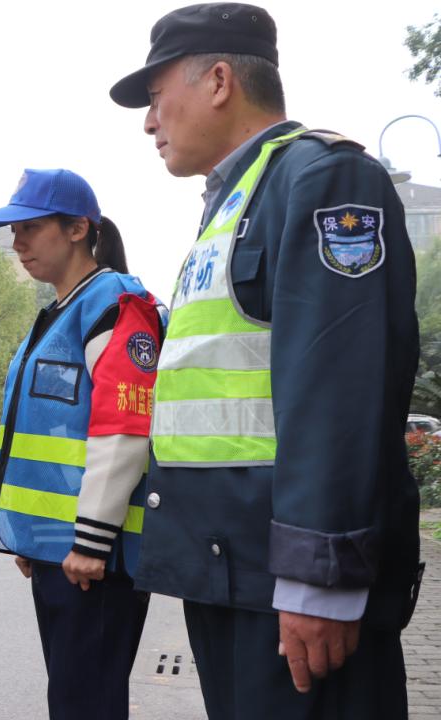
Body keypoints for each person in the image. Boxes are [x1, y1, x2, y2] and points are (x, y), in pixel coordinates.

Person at [109, 4, 422, 718]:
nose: (149, 122)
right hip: (233, 573)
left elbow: (341, 388)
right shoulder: (235, 198)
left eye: (156, 96)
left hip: (291, 589)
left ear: (220, 81)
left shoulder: (323, 179)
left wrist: (320, 580)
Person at [0, 169, 163, 720]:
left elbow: (124, 432)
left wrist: (91, 543)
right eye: (14, 231)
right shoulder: (61, 312)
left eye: (30, 228)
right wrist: (35, 536)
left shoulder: (115, 306)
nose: (18, 242)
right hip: (61, 550)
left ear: (78, 228)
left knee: (86, 704)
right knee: (72, 700)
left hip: (95, 559)